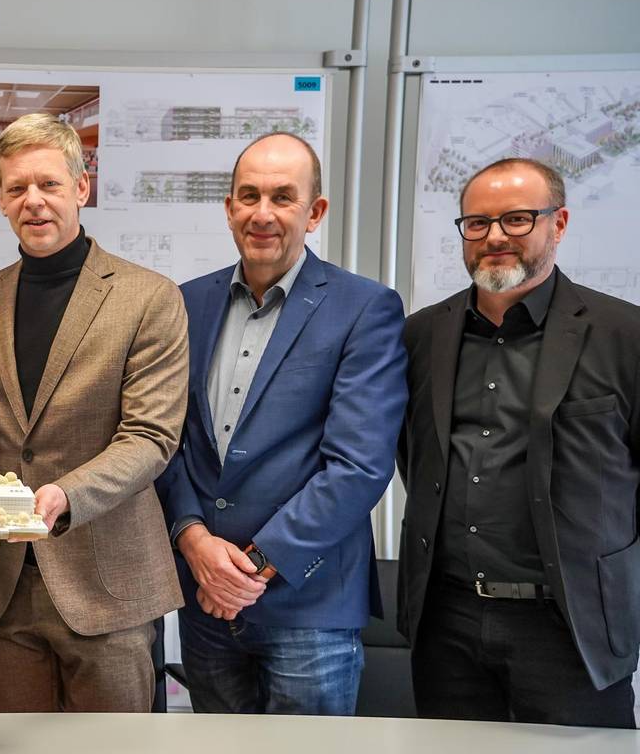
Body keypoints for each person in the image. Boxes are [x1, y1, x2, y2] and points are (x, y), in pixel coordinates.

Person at [0, 112, 188, 712]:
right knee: (8, 749)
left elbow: (150, 437)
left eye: (49, 183)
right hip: (0, 591)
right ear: (0, 200)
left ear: (81, 187)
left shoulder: (149, 298)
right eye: (17, 187)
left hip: (107, 584)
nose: (34, 201)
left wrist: (66, 495)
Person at [156, 132, 407, 716]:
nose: (262, 214)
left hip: (308, 606)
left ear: (314, 212)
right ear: (229, 208)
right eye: (249, 196)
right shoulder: (184, 304)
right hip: (203, 599)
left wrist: (253, 567)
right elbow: (166, 443)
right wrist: (193, 541)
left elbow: (359, 466)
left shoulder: (364, 308)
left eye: (283, 197)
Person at [398, 157, 639, 728]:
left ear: (559, 223)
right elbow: (414, 456)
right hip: (447, 621)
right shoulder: (420, 335)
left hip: (571, 624)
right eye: (477, 223)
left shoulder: (625, 335)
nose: (494, 237)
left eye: (517, 219)